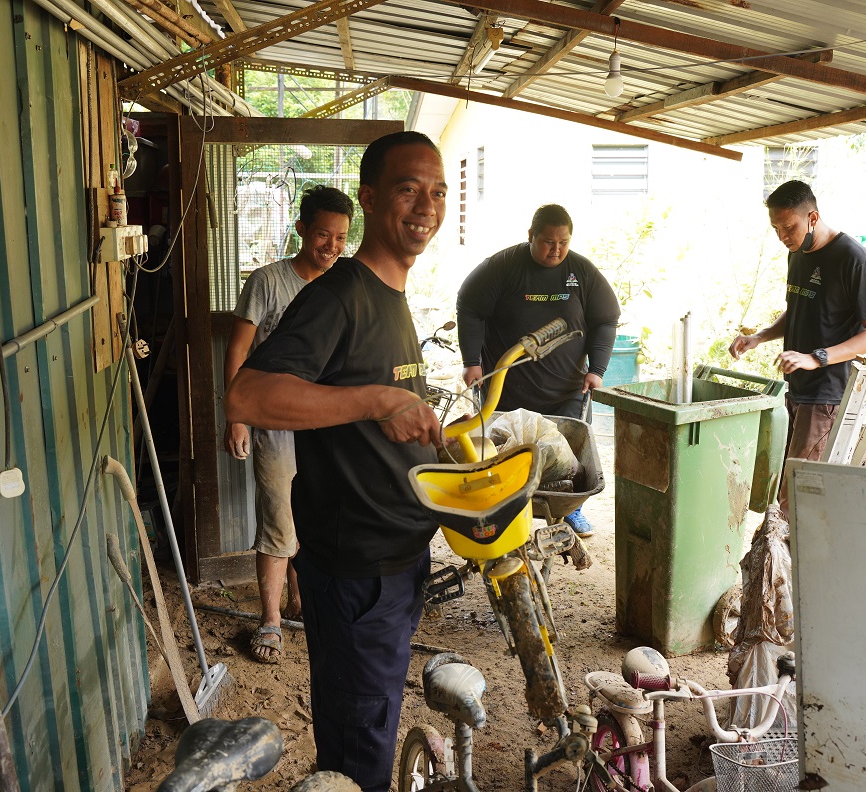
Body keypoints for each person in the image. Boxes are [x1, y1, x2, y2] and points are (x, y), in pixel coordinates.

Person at [223, 131, 445, 792]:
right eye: (409, 189)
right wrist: (378, 399)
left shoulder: (393, 299)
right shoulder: (341, 294)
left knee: (369, 730)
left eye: (437, 191)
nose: (426, 205)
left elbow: (374, 422)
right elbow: (250, 393)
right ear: (371, 199)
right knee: (357, 756)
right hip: (357, 576)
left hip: (396, 564)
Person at [222, 185, 354, 663]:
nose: (332, 246)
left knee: (318, 514)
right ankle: (271, 619)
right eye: (323, 234)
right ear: (301, 229)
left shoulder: (345, 285)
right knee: (279, 516)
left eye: (341, 237)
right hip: (274, 421)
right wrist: (236, 415)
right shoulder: (268, 281)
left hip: (328, 424)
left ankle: (306, 601)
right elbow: (237, 350)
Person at [456, 204, 621, 537]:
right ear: (530, 236)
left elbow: (605, 319)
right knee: (501, 454)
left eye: (563, 242)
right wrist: (472, 361)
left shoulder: (581, 272)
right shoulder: (502, 267)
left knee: (568, 456)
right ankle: (504, 514)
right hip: (506, 390)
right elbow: (469, 308)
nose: (556, 250)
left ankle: (568, 509)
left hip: (565, 391)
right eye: (548, 242)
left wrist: (598, 369)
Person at [729, 180, 866, 508]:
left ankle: (790, 559)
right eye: (776, 228)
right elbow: (801, 307)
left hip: (826, 393)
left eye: (789, 227)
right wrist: (759, 337)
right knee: (787, 488)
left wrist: (816, 358)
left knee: (796, 499)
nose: (783, 237)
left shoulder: (853, 258)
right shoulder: (798, 253)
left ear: (812, 217)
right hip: (797, 389)